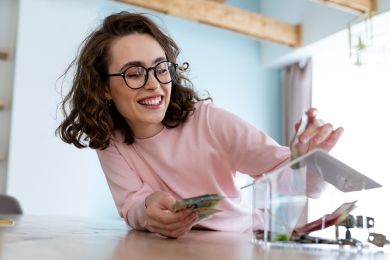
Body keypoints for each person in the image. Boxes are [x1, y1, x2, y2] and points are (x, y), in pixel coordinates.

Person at [56, 11, 343, 238]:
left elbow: (298, 184)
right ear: (104, 87)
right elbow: (131, 204)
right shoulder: (110, 139)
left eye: (160, 68)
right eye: (134, 73)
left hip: (238, 244)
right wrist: (149, 209)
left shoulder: (210, 121)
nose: (154, 84)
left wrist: (311, 162)